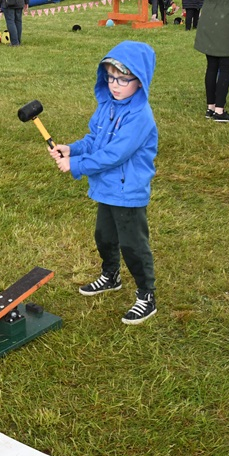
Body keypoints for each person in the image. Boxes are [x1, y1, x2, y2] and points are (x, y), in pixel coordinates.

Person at [48, 41, 159, 325]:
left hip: (128, 190)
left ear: (140, 80)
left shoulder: (140, 117)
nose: (115, 85)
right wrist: (71, 149)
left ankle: (147, 295)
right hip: (107, 188)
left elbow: (114, 154)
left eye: (124, 79)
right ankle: (111, 276)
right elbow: (95, 140)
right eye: (110, 77)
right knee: (104, 237)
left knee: (133, 245)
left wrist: (76, 165)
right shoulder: (107, 106)